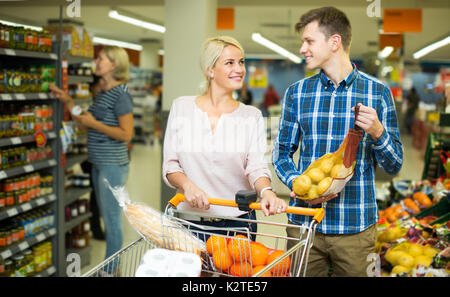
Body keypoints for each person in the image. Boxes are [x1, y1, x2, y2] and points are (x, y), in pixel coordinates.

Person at [272, 7, 403, 277]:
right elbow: (281, 153)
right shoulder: (297, 93)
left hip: (355, 230)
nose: (302, 49)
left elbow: (395, 164)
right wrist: (297, 181)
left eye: (309, 41)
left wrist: (378, 132)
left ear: (334, 42)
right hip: (304, 225)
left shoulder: (377, 92)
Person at [163, 36, 287, 240]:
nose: (239, 69)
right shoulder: (182, 107)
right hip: (189, 222)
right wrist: (187, 185)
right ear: (210, 70)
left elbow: (256, 166)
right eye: (229, 63)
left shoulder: (251, 115)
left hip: (237, 225)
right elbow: (170, 165)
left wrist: (266, 191)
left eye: (241, 62)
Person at [50, 46, 134, 269]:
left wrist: (93, 124)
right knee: (108, 217)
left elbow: (127, 134)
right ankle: (110, 270)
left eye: (101, 59)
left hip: (112, 165)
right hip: (99, 164)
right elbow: (85, 120)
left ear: (113, 65)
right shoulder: (103, 93)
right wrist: (68, 102)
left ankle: (109, 271)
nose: (96, 61)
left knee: (112, 221)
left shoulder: (121, 94)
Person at [80, 74, 106, 240]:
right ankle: (95, 228)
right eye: (99, 85)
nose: (101, 88)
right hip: (89, 154)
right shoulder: (90, 104)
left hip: (96, 153)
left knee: (97, 194)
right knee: (95, 195)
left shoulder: (100, 102)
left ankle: (96, 226)